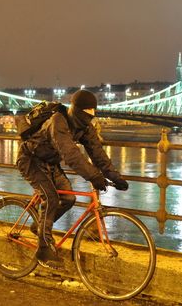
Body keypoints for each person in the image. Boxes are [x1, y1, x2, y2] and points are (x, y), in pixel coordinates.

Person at [16, 89, 129, 268]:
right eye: (87, 113)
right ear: (77, 111)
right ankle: (43, 249)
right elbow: (70, 154)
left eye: (93, 114)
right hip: (31, 160)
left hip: (50, 162)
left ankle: (39, 226)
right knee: (51, 197)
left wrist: (114, 176)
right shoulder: (58, 121)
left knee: (69, 198)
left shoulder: (85, 127)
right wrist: (94, 176)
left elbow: (97, 153)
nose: (90, 117)